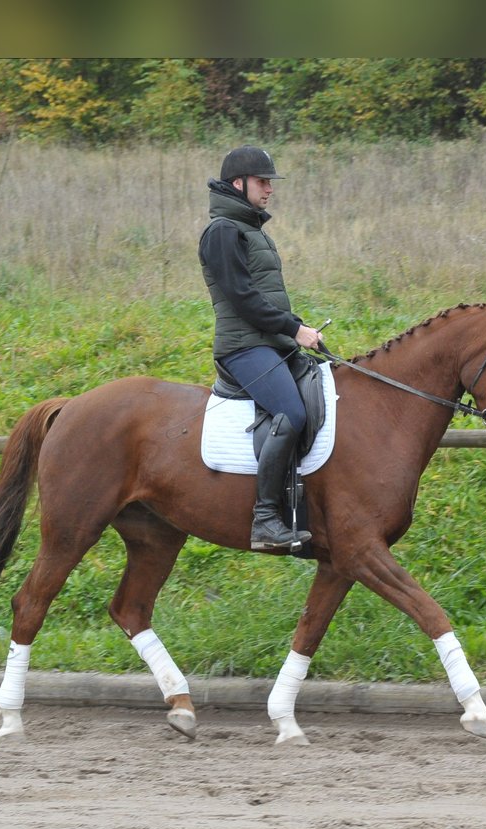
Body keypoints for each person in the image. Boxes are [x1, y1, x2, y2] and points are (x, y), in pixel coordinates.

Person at [199, 145, 323, 551]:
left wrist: (296, 333)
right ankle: (266, 518)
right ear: (239, 184)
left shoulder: (251, 230)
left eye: (270, 182)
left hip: (268, 343)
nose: (270, 189)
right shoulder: (222, 232)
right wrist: (294, 328)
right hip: (242, 349)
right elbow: (242, 297)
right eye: (263, 181)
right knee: (291, 411)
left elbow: (266, 297)